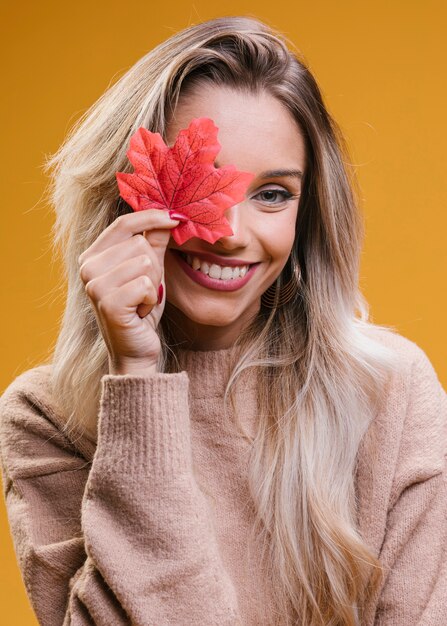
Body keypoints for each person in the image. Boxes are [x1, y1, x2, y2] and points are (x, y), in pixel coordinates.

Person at [0, 14, 446, 626]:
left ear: (306, 215)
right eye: (203, 185)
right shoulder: (48, 417)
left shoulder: (391, 392)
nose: (231, 234)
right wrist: (138, 378)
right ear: (123, 195)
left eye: (272, 194)